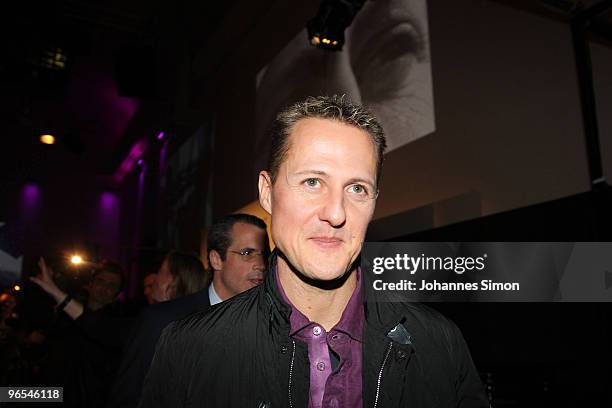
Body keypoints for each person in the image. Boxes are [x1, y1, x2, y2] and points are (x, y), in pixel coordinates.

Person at [140, 96, 487, 407]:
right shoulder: (190, 348)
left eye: (356, 188)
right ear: (267, 192)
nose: (336, 213)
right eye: (312, 182)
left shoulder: (440, 343)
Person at [109, 214, 268, 408]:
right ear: (216, 260)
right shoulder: (164, 322)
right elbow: (129, 397)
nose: (260, 265)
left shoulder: (271, 324)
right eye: (247, 253)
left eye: (263, 254)